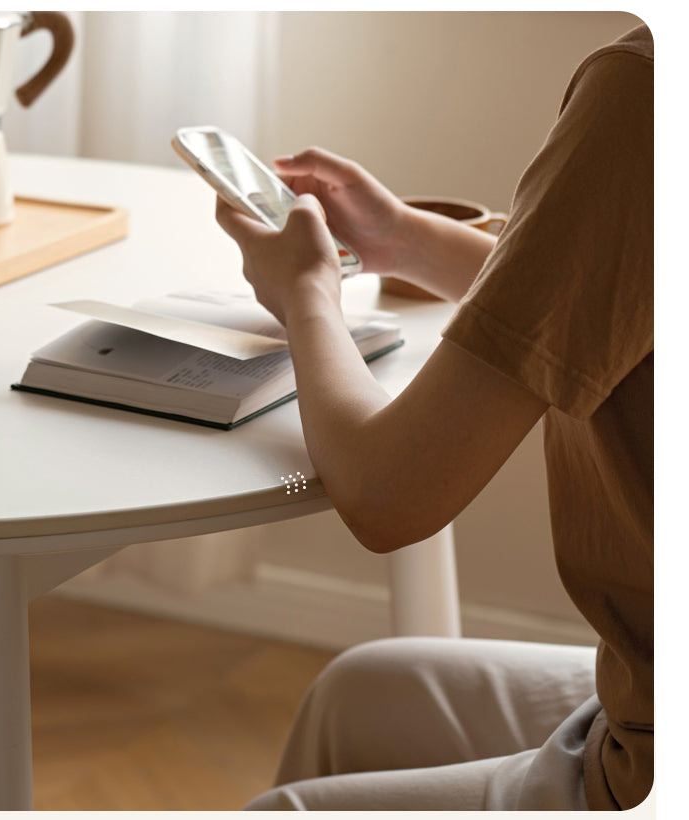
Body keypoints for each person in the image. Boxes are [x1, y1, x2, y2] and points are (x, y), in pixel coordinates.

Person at [216, 24, 653, 812]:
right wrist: (403, 241)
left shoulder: (647, 92)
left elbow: (389, 492)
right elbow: (615, 304)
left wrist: (305, 293)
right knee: (359, 695)